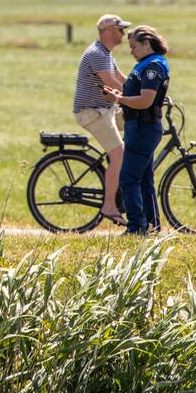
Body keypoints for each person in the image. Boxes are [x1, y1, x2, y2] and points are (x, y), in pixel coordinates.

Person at [103, 25, 171, 236]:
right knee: (144, 179)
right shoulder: (145, 64)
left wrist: (118, 99)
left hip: (144, 128)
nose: (131, 51)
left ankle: (136, 228)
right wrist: (120, 95)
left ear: (146, 44)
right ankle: (152, 225)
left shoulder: (153, 66)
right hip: (139, 127)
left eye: (133, 46)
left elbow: (145, 100)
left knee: (128, 178)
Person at [72, 14, 131, 226]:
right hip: (92, 111)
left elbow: (123, 79)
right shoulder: (97, 54)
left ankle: (121, 182)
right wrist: (143, 99)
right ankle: (109, 206)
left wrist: (147, 90)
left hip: (105, 108)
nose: (123, 33)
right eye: (120, 29)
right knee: (119, 155)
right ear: (107, 31)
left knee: (137, 127)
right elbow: (113, 83)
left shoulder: (106, 53)